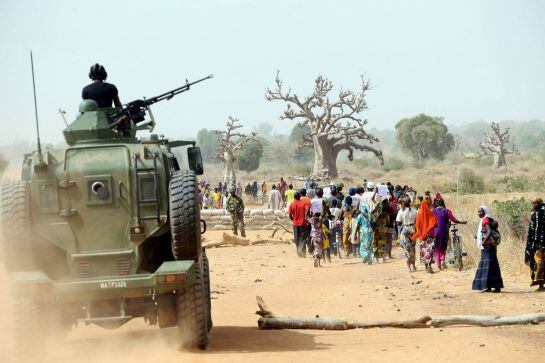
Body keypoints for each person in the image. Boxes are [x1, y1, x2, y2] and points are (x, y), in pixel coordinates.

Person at [472, 206, 504, 293]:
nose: (479, 213)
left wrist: (483, 242)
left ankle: (486, 286)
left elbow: (489, 232)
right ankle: (494, 287)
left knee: (487, 265)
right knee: (492, 265)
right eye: (478, 212)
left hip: (487, 247)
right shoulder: (487, 219)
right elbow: (485, 232)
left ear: (484, 212)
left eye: (480, 211)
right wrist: (478, 237)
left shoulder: (485, 220)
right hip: (490, 247)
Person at [433, 197, 467, 270]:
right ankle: (443, 261)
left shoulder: (433, 211)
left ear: (436, 204)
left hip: (435, 231)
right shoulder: (447, 211)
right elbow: (454, 220)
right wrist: (462, 222)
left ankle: (438, 264)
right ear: (443, 203)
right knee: (444, 247)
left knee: (436, 248)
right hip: (444, 231)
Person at [525, 198, 545, 291]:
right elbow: (532, 229)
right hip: (533, 243)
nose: (533, 205)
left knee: (540, 263)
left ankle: (542, 285)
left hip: (542, 243)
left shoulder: (543, 213)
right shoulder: (532, 214)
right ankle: (540, 284)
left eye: (535, 203)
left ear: (540, 204)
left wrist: (541, 240)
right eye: (532, 203)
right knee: (535, 264)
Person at [414, 200, 438, 274]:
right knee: (430, 250)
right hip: (430, 234)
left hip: (422, 235)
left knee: (424, 250)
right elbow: (436, 224)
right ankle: (429, 266)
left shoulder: (419, 215)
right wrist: (430, 227)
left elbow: (417, 226)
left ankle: (426, 266)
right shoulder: (431, 213)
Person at [396, 197, 418, 272]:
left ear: (403, 203)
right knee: (412, 248)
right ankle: (413, 266)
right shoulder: (415, 211)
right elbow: (417, 221)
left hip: (405, 230)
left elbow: (398, 223)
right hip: (413, 230)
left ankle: (409, 267)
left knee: (406, 248)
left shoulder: (401, 212)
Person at [289, 192, 309, 257]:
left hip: (295, 224)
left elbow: (290, 215)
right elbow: (307, 211)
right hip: (303, 223)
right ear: (299, 197)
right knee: (303, 238)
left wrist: (294, 220)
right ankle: (303, 253)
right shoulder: (303, 204)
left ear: (294, 197)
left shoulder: (291, 204)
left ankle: (299, 252)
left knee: (296, 238)